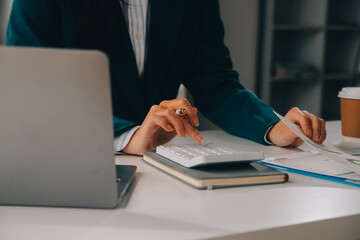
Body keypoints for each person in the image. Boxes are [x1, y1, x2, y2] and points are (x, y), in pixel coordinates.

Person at [6, 0, 326, 155]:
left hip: (158, 167)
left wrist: (273, 127)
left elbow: (216, 84)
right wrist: (129, 137)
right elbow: (31, 92)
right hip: (68, 160)